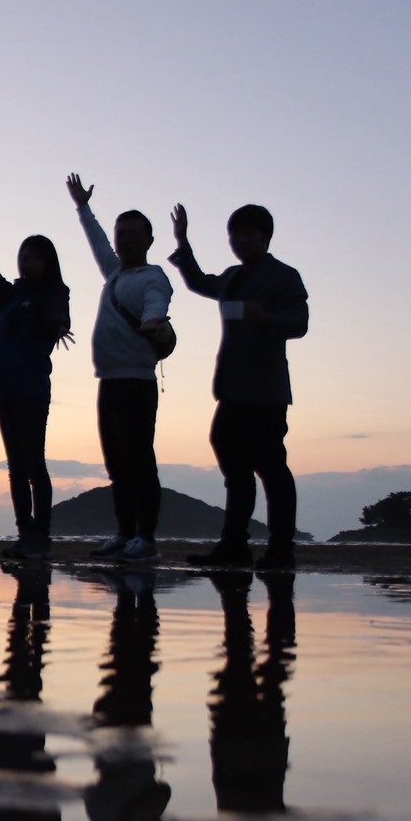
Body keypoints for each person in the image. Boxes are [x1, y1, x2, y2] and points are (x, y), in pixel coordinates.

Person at [169, 202, 309, 570]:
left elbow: (300, 322)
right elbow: (199, 283)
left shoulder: (284, 276)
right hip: (231, 389)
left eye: (248, 233)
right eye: (235, 234)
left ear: (266, 236)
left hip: (265, 390)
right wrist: (182, 241)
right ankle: (234, 545)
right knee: (233, 464)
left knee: (271, 467)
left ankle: (281, 548)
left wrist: (268, 318)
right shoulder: (231, 277)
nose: (240, 240)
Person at [67, 173, 173, 563]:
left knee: (140, 460)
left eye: (132, 233)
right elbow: (95, 241)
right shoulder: (113, 273)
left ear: (148, 240)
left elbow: (157, 303)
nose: (123, 238)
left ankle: (145, 538)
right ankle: (124, 533)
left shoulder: (153, 276)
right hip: (108, 382)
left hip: (137, 382)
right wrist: (82, 207)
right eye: (120, 233)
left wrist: (152, 320)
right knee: (116, 463)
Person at [0, 217, 72, 559]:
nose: (28, 263)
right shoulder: (9, 294)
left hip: (33, 388)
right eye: (24, 257)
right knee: (15, 465)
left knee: (34, 462)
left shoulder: (55, 292)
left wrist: (56, 323)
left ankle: (41, 535)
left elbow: (59, 317)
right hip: (4, 387)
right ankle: (25, 533)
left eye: (35, 257)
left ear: (48, 263)